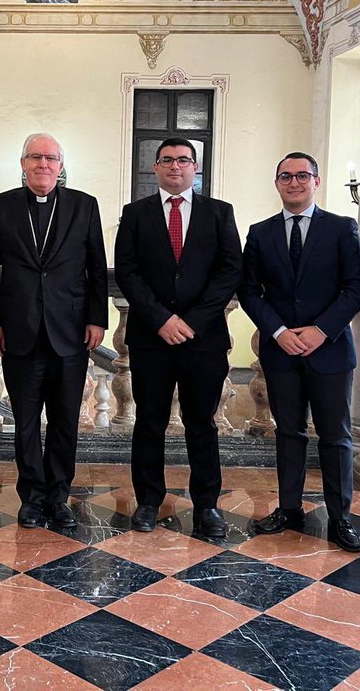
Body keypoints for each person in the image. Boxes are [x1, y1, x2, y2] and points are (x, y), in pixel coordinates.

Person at [239, 152, 360, 551]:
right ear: (276, 183)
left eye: (302, 175)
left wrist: (321, 330)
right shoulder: (260, 233)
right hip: (281, 351)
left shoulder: (341, 228)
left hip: (328, 351)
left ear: (316, 181)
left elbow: (358, 287)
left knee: (336, 437)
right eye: (285, 176)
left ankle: (340, 517)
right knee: (289, 433)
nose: (293, 182)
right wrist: (278, 332)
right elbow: (248, 291)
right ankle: (289, 508)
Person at [113, 137, 242, 538]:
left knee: (201, 423)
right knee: (148, 421)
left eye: (183, 160)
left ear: (195, 167)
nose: (175, 167)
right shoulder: (135, 214)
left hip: (203, 339)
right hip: (152, 338)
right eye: (167, 160)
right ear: (155, 167)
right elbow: (127, 272)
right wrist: (161, 319)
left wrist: (193, 321)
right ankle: (149, 500)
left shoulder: (219, 213)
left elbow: (229, 271)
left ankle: (207, 505)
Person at [0, 134, 107, 529]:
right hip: (20, 330)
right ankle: (31, 498)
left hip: (69, 332)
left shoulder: (84, 205)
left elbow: (97, 267)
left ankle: (59, 497)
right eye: (36, 157)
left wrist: (97, 319)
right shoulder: (0, 206)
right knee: (26, 422)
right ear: (23, 163)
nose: (44, 164)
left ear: (61, 165)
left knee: (66, 420)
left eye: (51, 158)